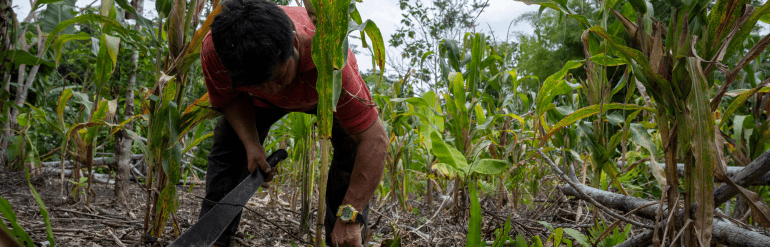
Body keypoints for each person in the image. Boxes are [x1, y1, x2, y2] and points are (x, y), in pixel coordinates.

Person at [198, 0, 387, 246]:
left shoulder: (331, 61)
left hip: (320, 94)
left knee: (351, 151)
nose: (272, 89)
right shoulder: (217, 50)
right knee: (228, 153)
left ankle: (343, 236)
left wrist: (351, 216)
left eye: (277, 76)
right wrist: (251, 144)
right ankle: (212, 239)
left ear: (294, 45)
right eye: (258, 83)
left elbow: (375, 140)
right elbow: (229, 97)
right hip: (255, 104)